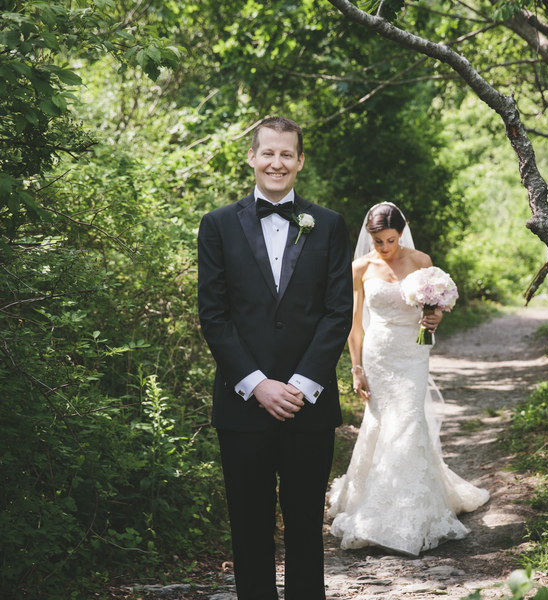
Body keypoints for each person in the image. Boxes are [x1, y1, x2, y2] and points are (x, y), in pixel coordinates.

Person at [197, 116, 354, 600]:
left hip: (309, 407)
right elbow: (214, 316)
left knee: (307, 527)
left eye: (287, 154)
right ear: (252, 157)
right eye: (268, 152)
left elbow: (337, 313)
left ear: (300, 161)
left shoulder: (328, 225)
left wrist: (302, 385)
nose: (276, 162)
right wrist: (257, 383)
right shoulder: (218, 225)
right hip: (242, 406)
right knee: (249, 530)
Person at [327, 202, 490, 556]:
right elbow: (355, 324)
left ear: (402, 232)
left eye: (390, 239)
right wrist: (356, 368)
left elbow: (435, 309)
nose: (384, 248)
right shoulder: (360, 267)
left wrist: (434, 321)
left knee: (410, 420)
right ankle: (373, 503)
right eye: (377, 241)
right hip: (378, 353)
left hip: (414, 353)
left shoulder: (422, 262)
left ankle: (408, 512)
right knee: (381, 422)